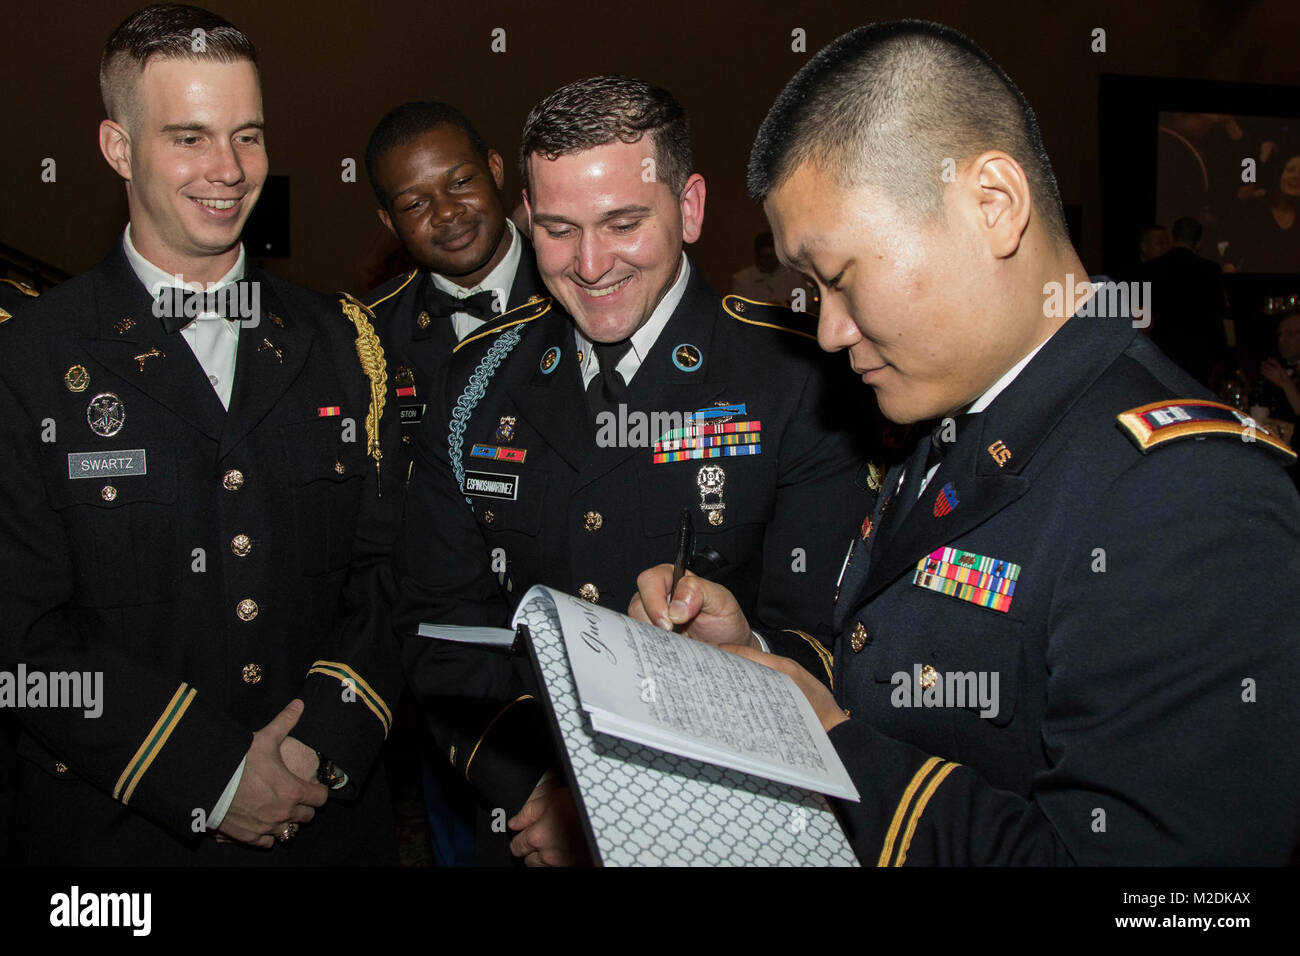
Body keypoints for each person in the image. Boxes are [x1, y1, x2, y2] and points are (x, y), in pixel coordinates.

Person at [631, 20, 1300, 865]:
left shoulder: (1190, 496)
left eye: (839, 279)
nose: (830, 331)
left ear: (992, 205)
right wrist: (761, 669)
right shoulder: (952, 411)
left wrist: (830, 747)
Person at [394, 75, 874, 865]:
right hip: (523, 821)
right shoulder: (475, 377)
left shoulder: (797, 376)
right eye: (556, 229)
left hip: (727, 819)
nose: (589, 265)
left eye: (622, 224)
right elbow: (439, 627)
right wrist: (539, 788)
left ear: (688, 207)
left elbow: (830, 638)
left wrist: (630, 793)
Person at [0, 3, 402, 864]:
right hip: (119, 840)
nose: (228, 170)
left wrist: (313, 746)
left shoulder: (343, 341)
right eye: (188, 137)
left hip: (324, 822)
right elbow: (20, 639)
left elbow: (388, 572)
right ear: (117, 147)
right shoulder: (28, 358)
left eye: (247, 136)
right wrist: (211, 772)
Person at [361, 102, 550, 461]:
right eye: (415, 204)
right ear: (389, 222)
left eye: (461, 182)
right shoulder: (371, 332)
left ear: (495, 169)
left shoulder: (576, 292)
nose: (446, 211)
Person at [1143, 216, 1227, 385]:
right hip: (1199, 353)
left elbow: (1142, 317)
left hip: (1161, 352)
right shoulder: (1211, 270)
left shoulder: (1151, 269)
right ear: (1200, 242)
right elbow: (1218, 314)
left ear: (1172, 238)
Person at [730, 231, 807, 307]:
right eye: (763, 256)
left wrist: (785, 306)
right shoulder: (742, 280)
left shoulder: (794, 276)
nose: (768, 261)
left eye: (771, 256)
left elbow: (803, 305)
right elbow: (740, 309)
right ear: (756, 256)